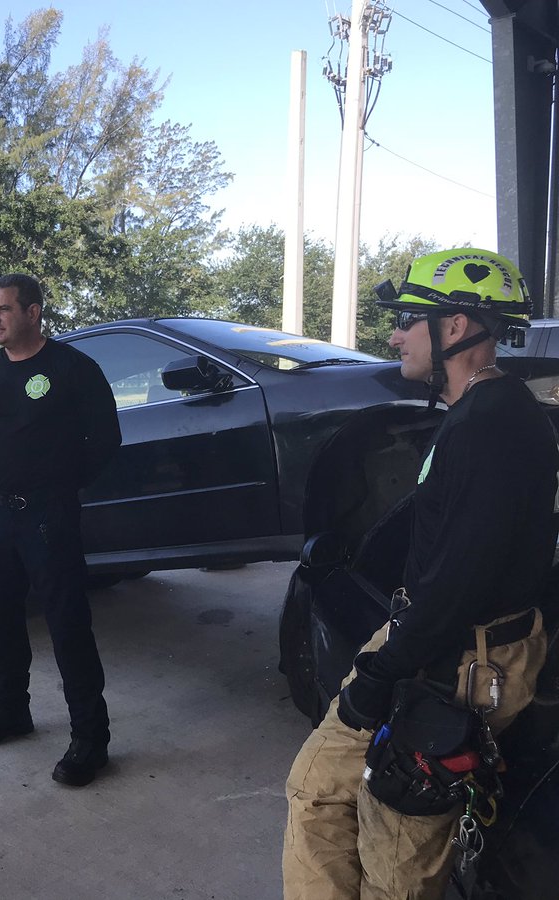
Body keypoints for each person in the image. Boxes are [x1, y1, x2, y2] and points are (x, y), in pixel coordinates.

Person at [283, 248, 558, 899]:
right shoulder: (480, 413)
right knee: (319, 792)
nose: (394, 334)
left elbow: (464, 578)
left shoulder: (491, 424)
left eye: (409, 318)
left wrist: (383, 673)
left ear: (455, 327)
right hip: (435, 640)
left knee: (397, 862)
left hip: (461, 661)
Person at [0, 273, 122, 787]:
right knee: (1, 618)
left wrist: (62, 486)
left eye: (5, 309)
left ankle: (90, 739)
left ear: (33, 313)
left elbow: (106, 439)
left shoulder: (73, 369)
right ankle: (10, 711)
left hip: (50, 517)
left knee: (67, 625)